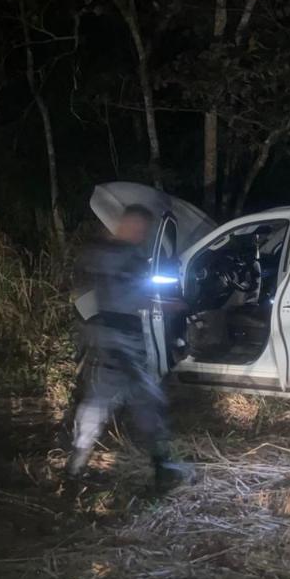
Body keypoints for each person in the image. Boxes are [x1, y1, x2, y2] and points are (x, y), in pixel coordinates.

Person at [66, 204, 177, 485]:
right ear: (126, 224)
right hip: (121, 342)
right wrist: (170, 306)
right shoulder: (127, 258)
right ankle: (162, 466)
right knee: (145, 400)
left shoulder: (99, 252)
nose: (141, 235)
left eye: (144, 231)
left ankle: (76, 466)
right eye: (139, 229)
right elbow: (136, 298)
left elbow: (83, 291)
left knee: (102, 401)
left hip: (111, 339)